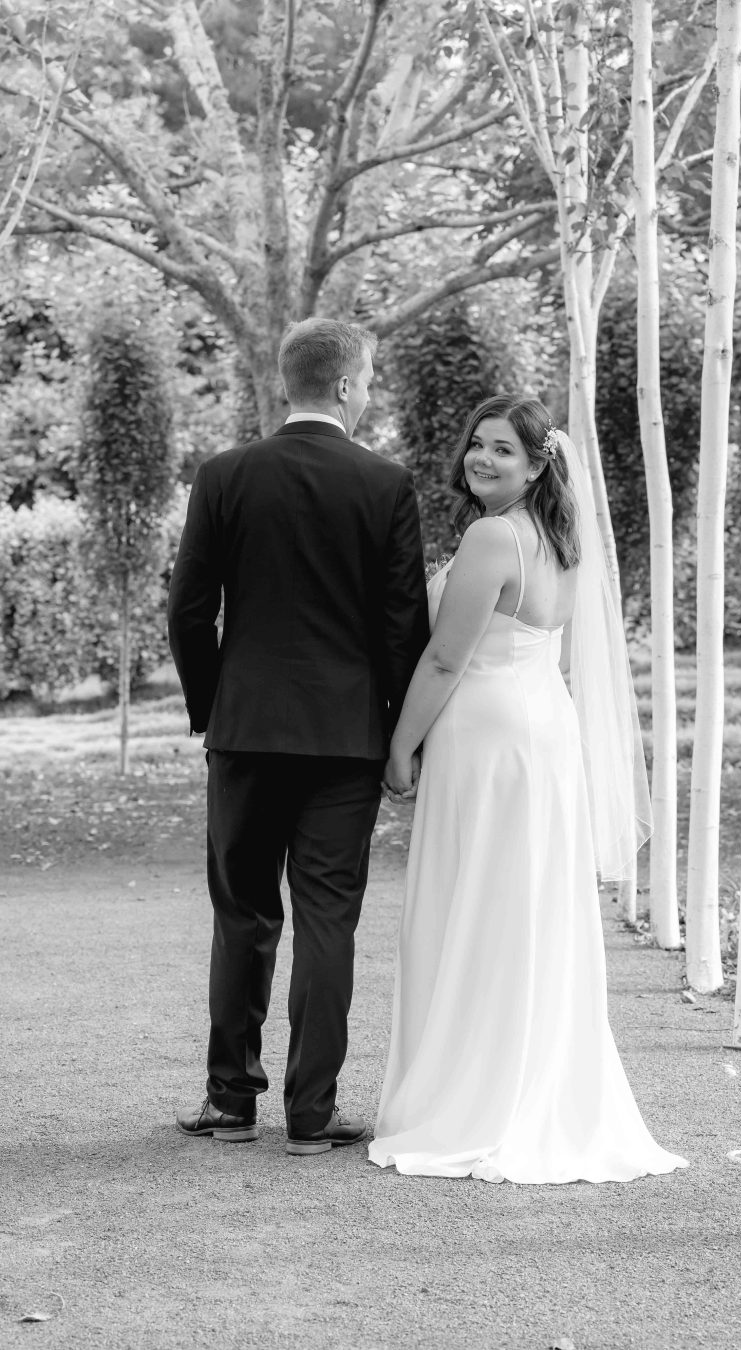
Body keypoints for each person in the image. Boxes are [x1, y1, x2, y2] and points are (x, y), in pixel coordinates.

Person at [369, 395, 688, 1184]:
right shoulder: (561, 536)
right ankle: (531, 1085)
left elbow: (445, 661)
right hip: (543, 731)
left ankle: (470, 1100)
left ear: (540, 462)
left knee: (473, 909)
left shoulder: (491, 536)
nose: (482, 459)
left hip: (485, 737)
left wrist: (398, 750)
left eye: (503, 450)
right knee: (527, 912)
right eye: (477, 444)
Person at [167, 318, 429, 1155]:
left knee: (242, 913)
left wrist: (216, 707)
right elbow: (402, 627)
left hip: (246, 732)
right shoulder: (386, 482)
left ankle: (231, 1102)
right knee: (327, 921)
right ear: (349, 385)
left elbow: (186, 611)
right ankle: (311, 1117)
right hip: (345, 740)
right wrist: (398, 734)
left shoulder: (225, 474)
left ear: (289, 383)